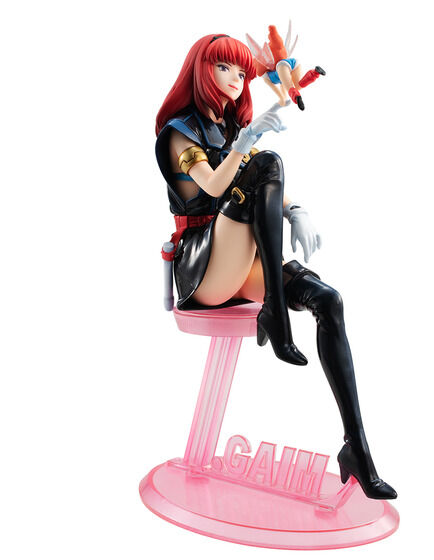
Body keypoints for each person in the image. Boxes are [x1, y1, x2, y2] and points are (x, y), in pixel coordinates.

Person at [155, 34, 397, 500]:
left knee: (328, 301)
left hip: (238, 257)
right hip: (201, 266)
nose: (235, 79)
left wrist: (295, 209)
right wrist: (247, 143)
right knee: (267, 160)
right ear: (202, 69)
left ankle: (358, 450)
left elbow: (256, 181)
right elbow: (214, 186)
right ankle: (276, 316)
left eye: (241, 72)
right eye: (224, 67)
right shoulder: (178, 132)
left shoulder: (228, 127)